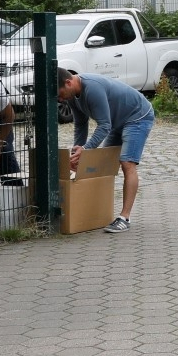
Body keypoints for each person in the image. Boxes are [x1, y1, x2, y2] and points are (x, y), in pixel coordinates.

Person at [57, 67, 153, 233]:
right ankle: (98, 214)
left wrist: (86, 150)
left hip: (138, 116)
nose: (60, 99)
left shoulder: (92, 88)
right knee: (104, 164)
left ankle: (125, 218)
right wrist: (77, 154)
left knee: (127, 162)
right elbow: (81, 124)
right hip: (116, 121)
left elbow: (104, 125)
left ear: (68, 82)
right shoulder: (72, 96)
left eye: (60, 94)